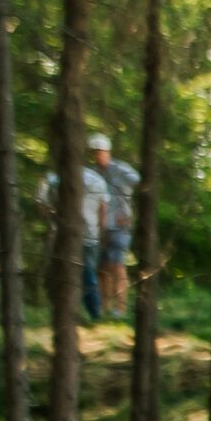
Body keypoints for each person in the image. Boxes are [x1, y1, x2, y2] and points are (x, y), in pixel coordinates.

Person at [81, 131, 141, 325]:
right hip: (100, 226)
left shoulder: (121, 169)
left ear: (106, 151)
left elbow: (137, 181)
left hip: (120, 224)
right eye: (93, 152)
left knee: (117, 265)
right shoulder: (92, 173)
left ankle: (120, 308)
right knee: (102, 268)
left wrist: (125, 201)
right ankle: (105, 307)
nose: (95, 155)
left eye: (98, 151)